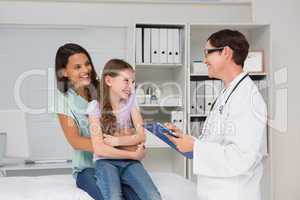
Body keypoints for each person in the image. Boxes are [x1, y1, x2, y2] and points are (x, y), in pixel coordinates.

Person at [164, 29, 267, 200]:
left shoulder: (247, 98)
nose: (205, 60)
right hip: (215, 192)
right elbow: (217, 141)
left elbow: (241, 157)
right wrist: (188, 140)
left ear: (226, 52)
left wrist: (196, 148)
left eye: (208, 53)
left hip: (234, 194)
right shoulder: (228, 92)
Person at [54, 43, 142, 200]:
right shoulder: (63, 101)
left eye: (87, 64)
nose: (85, 70)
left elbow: (126, 121)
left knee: (137, 196)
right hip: (88, 168)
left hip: (118, 162)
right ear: (64, 72)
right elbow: (76, 141)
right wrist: (120, 146)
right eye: (77, 67)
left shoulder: (104, 89)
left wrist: (131, 141)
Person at [86, 59, 162, 200]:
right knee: (114, 197)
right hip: (105, 162)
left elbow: (141, 136)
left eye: (133, 82)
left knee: (153, 196)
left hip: (129, 164)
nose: (131, 87)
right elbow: (100, 149)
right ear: (109, 81)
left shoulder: (131, 103)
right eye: (126, 81)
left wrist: (116, 140)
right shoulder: (94, 107)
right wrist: (132, 153)